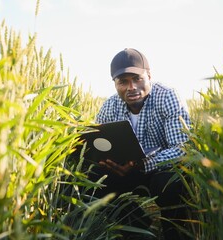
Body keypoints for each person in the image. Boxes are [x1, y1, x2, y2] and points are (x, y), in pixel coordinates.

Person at [91, 48, 192, 239]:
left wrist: (143, 164)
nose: (131, 87)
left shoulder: (168, 96)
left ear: (149, 75)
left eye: (137, 79)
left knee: (171, 181)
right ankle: (137, 228)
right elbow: (100, 143)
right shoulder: (109, 106)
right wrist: (108, 163)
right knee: (95, 177)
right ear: (115, 83)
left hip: (160, 169)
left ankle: (174, 232)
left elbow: (182, 148)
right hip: (126, 171)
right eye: (123, 82)